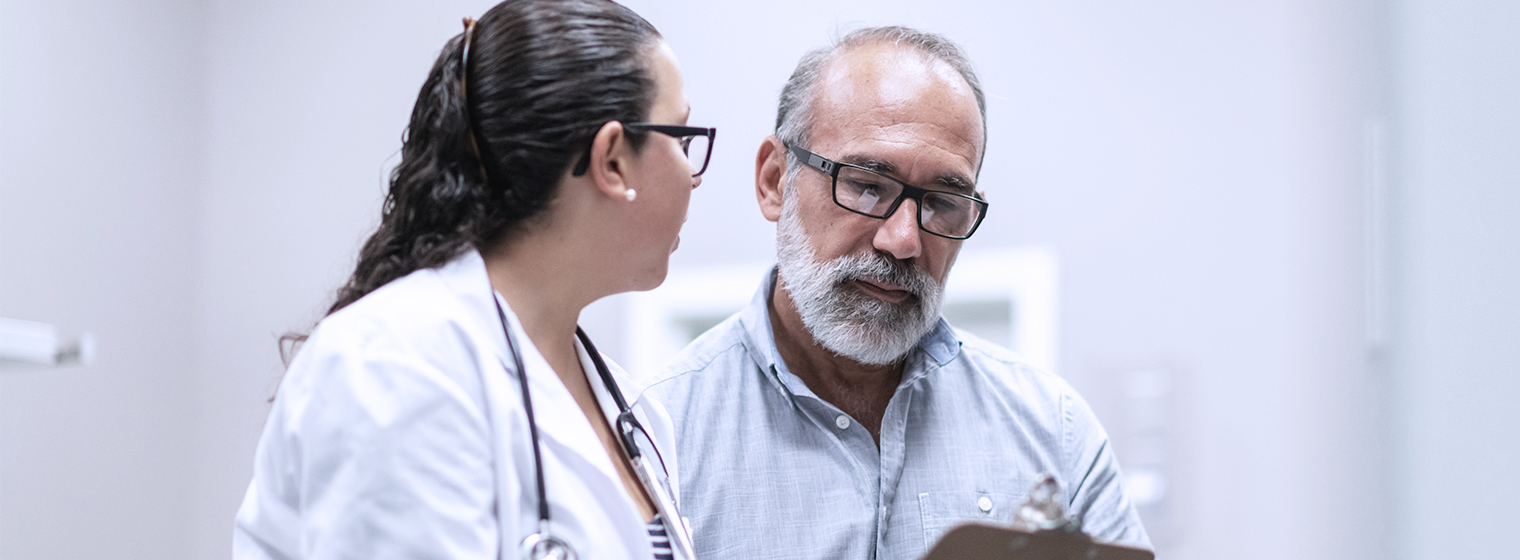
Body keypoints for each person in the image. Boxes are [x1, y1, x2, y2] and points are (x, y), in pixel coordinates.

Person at [639, 26, 1150, 559]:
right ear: (774, 180)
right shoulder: (656, 441)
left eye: (942, 201)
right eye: (865, 185)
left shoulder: (1054, 433)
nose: (903, 240)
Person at [232, 1, 713, 559]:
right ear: (611, 160)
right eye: (681, 139)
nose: (693, 177)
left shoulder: (633, 411)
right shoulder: (394, 365)